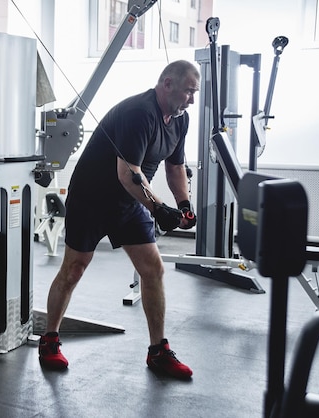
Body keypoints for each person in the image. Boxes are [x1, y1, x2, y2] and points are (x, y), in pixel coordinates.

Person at [38, 60, 200, 380]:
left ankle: (158, 351)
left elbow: (175, 167)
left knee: (152, 269)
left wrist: (182, 204)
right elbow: (128, 173)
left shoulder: (180, 119)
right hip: (92, 199)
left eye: (194, 93)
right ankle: (50, 339)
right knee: (74, 269)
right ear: (167, 84)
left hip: (129, 202)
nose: (191, 99)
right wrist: (158, 209)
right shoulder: (139, 112)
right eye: (188, 91)